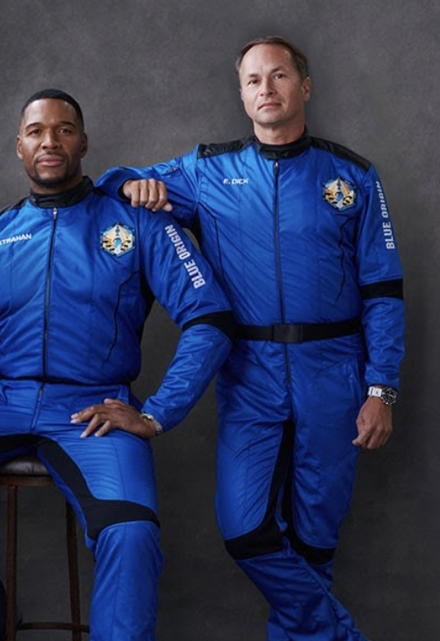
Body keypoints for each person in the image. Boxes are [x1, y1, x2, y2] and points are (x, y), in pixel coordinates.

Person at [0, 90, 234, 641]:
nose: (49, 141)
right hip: (0, 405)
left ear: (83, 142)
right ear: (19, 147)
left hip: (91, 411)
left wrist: (154, 415)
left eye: (63, 129)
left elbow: (211, 317)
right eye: (35, 132)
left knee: (131, 532)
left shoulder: (139, 223)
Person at [98, 36, 405, 640]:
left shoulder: (352, 176)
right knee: (244, 527)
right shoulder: (207, 171)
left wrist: (382, 389)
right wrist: (133, 184)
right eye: (253, 80)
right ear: (242, 95)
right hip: (250, 371)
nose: (266, 89)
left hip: (335, 370)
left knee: (316, 537)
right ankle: (338, 634)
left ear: (304, 87)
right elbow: (115, 181)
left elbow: (384, 290)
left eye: (279, 76)